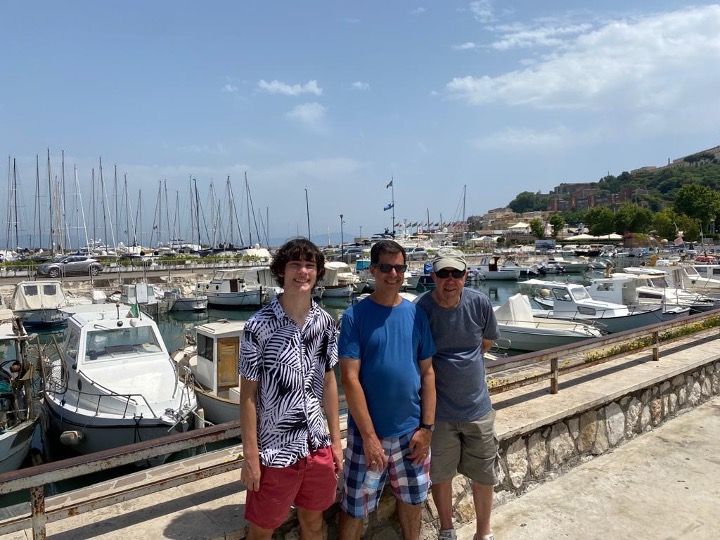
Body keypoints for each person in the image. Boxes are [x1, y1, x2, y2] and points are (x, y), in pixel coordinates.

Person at [239, 238, 343, 539]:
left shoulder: (324, 323)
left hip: (316, 445)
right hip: (274, 451)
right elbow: (248, 396)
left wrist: (335, 443)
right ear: (281, 271)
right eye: (295, 264)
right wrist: (251, 457)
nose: (303, 271)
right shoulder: (258, 326)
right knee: (262, 532)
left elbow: (328, 381)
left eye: (310, 265)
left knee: (314, 524)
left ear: (317, 273)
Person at [337, 239, 436, 540]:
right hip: (368, 436)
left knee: (413, 500)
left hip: (411, 432)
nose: (393, 274)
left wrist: (427, 428)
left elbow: (428, 373)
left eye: (399, 267)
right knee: (355, 507)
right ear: (373, 270)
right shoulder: (355, 317)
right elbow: (349, 379)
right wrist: (369, 438)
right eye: (385, 267)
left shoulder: (417, 315)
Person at [415, 247, 500, 540]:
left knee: (483, 474)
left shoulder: (480, 304)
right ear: (433, 276)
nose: (449, 280)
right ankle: (447, 530)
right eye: (443, 273)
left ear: (466, 276)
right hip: (440, 413)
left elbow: (485, 343)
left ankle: (483, 533)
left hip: (478, 408)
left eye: (456, 273)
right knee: (441, 475)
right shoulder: (421, 310)